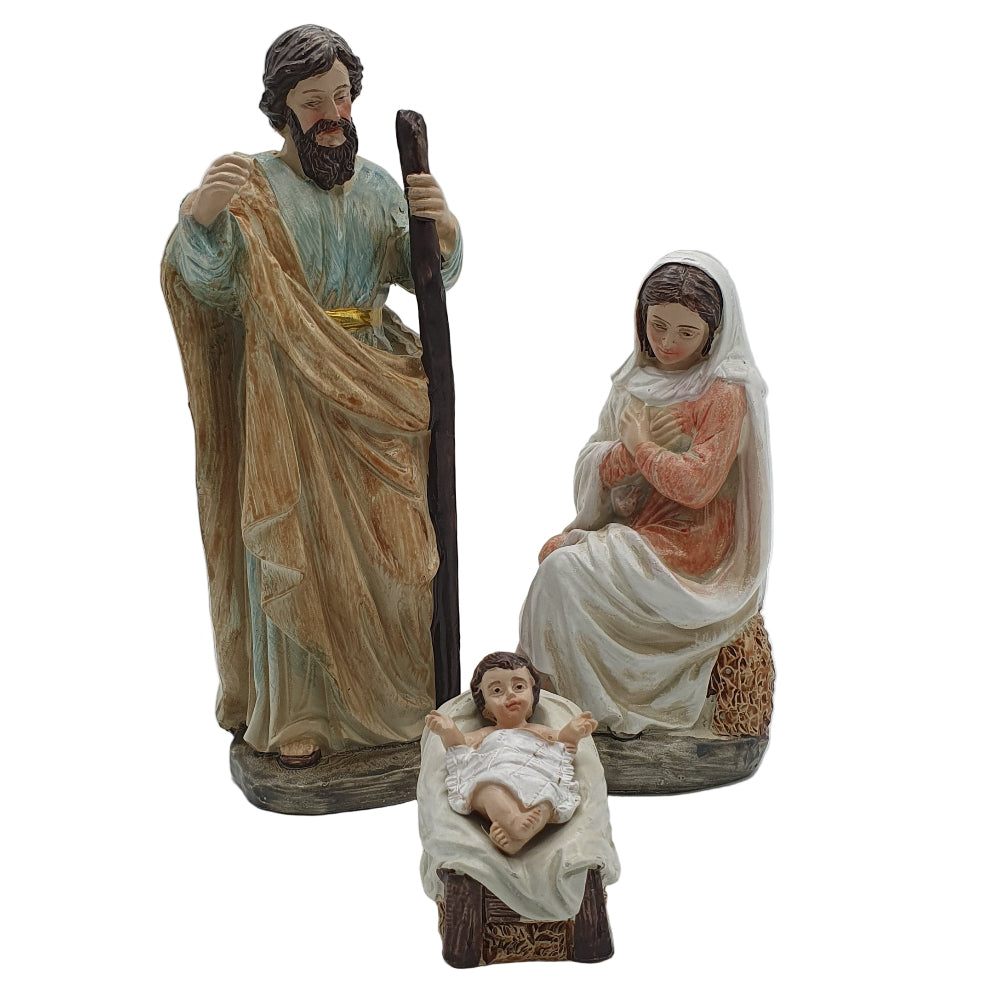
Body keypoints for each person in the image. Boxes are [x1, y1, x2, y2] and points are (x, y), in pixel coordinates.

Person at [161, 26, 462, 767]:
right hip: (289, 389)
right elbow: (211, 284)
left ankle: (404, 700)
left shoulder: (380, 186)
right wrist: (202, 220)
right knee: (297, 546)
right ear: (282, 110)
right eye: (313, 102)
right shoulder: (255, 188)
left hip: (377, 389)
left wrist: (444, 230)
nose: (333, 115)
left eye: (342, 96)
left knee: (402, 554)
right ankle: (298, 711)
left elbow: (421, 274)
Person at [518, 251, 771, 737]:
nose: (668, 343)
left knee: (561, 573)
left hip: (692, 548)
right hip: (637, 527)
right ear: (641, 319)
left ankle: (588, 703)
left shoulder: (725, 390)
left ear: (713, 333)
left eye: (686, 332)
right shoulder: (634, 384)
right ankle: (551, 695)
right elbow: (596, 467)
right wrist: (629, 455)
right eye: (658, 326)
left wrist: (641, 446)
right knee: (554, 560)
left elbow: (698, 485)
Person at [426, 652, 598, 855]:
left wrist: (574, 731)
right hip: (493, 779)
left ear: (532, 694)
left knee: (548, 797)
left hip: (534, 779)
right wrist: (448, 730)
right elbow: (459, 746)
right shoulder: (487, 733)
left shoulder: (538, 731)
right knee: (490, 792)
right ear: (486, 707)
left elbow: (562, 743)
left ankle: (518, 838)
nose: (510, 695)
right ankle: (513, 822)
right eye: (497, 690)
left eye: (518, 687)